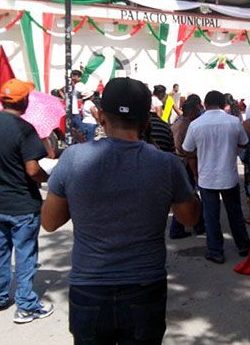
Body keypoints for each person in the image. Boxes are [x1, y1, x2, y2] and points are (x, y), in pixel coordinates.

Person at [42, 77, 200, 344]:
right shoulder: (166, 164)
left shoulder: (73, 158)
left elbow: (49, 222)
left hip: (89, 287)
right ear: (147, 121)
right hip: (145, 287)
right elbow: (189, 218)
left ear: (101, 117)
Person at [0, 78, 53, 324]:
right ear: (24, 101)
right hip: (23, 204)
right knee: (25, 254)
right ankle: (26, 305)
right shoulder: (24, 129)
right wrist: (47, 176)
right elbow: (33, 170)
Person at [182, 91, 250, 264]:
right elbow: (244, 143)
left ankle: (215, 251)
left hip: (207, 177)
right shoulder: (234, 122)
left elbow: (187, 149)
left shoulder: (196, 124)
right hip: (229, 175)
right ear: (222, 104)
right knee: (235, 213)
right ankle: (243, 246)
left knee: (211, 216)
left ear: (204, 104)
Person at [169, 100, 205, 239]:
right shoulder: (188, 126)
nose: (198, 113)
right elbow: (188, 152)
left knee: (187, 196)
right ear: (191, 112)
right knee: (189, 196)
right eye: (196, 111)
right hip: (185, 164)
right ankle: (190, 226)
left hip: (179, 163)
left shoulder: (178, 123)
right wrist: (195, 173)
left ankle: (197, 225)